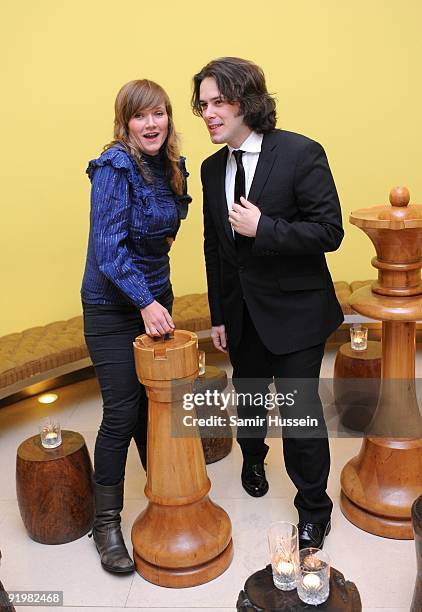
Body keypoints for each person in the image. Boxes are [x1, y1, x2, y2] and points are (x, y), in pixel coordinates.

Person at [191, 57, 343, 550]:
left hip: (297, 314)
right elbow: (215, 247)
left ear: (247, 103)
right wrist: (219, 313)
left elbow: (329, 232)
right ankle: (252, 458)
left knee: (301, 416)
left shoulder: (301, 152)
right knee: (251, 398)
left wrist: (266, 228)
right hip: (240, 314)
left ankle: (314, 509)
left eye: (218, 102)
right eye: (203, 104)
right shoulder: (213, 169)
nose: (208, 113)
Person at [81, 79, 190, 573]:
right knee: (123, 413)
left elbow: (171, 221)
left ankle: (163, 491)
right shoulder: (114, 166)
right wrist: (145, 301)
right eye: (141, 116)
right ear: (125, 123)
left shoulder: (172, 166)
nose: (152, 124)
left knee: (158, 405)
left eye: (160, 114)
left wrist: (158, 263)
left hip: (153, 298)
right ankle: (105, 523)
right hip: (113, 305)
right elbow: (108, 252)